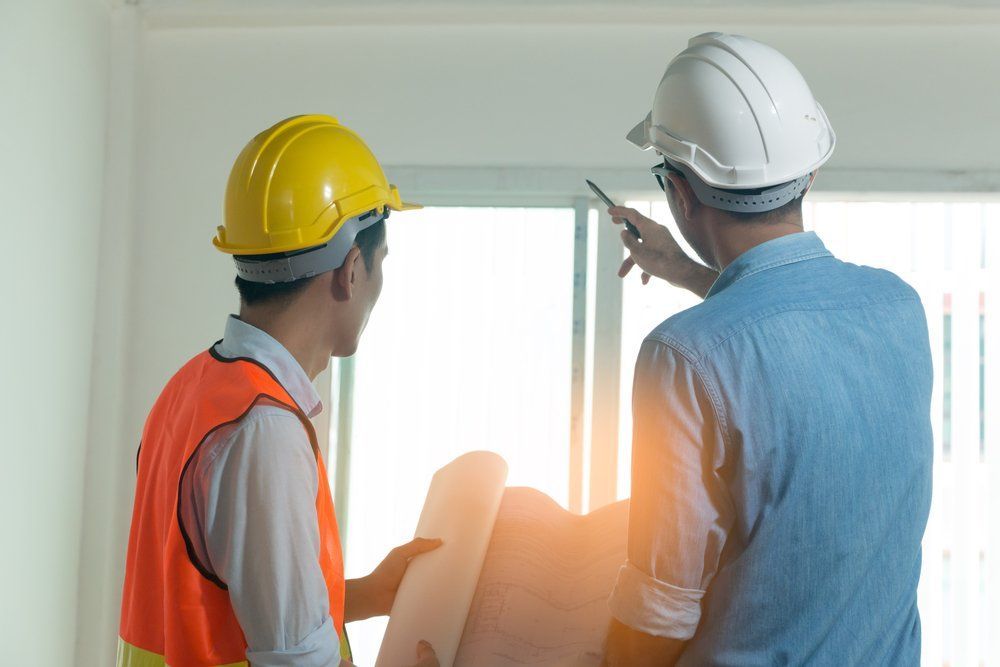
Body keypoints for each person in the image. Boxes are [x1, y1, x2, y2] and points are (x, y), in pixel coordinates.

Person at [602, 33, 933, 665]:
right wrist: (691, 273)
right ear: (809, 171)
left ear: (678, 194)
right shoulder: (899, 309)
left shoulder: (680, 356)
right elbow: (788, 336)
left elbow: (660, 613)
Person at [118, 115, 441, 667]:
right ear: (352, 268)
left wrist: (367, 596)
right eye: (380, 263)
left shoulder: (193, 389)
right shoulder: (262, 430)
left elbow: (236, 603)